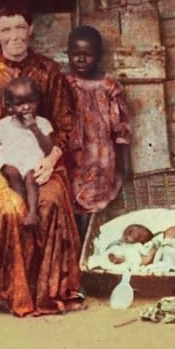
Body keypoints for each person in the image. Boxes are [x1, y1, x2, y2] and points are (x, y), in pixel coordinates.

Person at [0, 1, 82, 317]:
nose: (15, 36)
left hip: (41, 160)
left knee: (49, 201)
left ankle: (47, 292)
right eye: (7, 29)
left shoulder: (49, 71)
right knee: (10, 208)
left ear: (31, 30)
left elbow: (64, 126)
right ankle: (5, 290)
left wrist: (51, 160)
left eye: (21, 27)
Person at [65, 25, 131, 237]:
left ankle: (91, 253)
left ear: (99, 56)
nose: (81, 60)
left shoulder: (109, 87)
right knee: (70, 205)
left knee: (97, 208)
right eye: (76, 55)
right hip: (72, 157)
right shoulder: (64, 85)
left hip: (100, 158)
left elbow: (121, 132)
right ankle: (77, 256)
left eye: (88, 55)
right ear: (68, 55)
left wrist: (122, 168)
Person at [0, 77, 51, 229]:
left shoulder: (42, 123)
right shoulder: (4, 124)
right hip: (10, 162)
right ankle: (22, 206)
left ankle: (32, 213)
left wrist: (34, 129)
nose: (26, 107)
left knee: (31, 178)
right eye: (20, 104)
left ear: (38, 101)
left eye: (31, 101)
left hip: (32, 163)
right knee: (11, 171)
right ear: (10, 107)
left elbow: (48, 148)